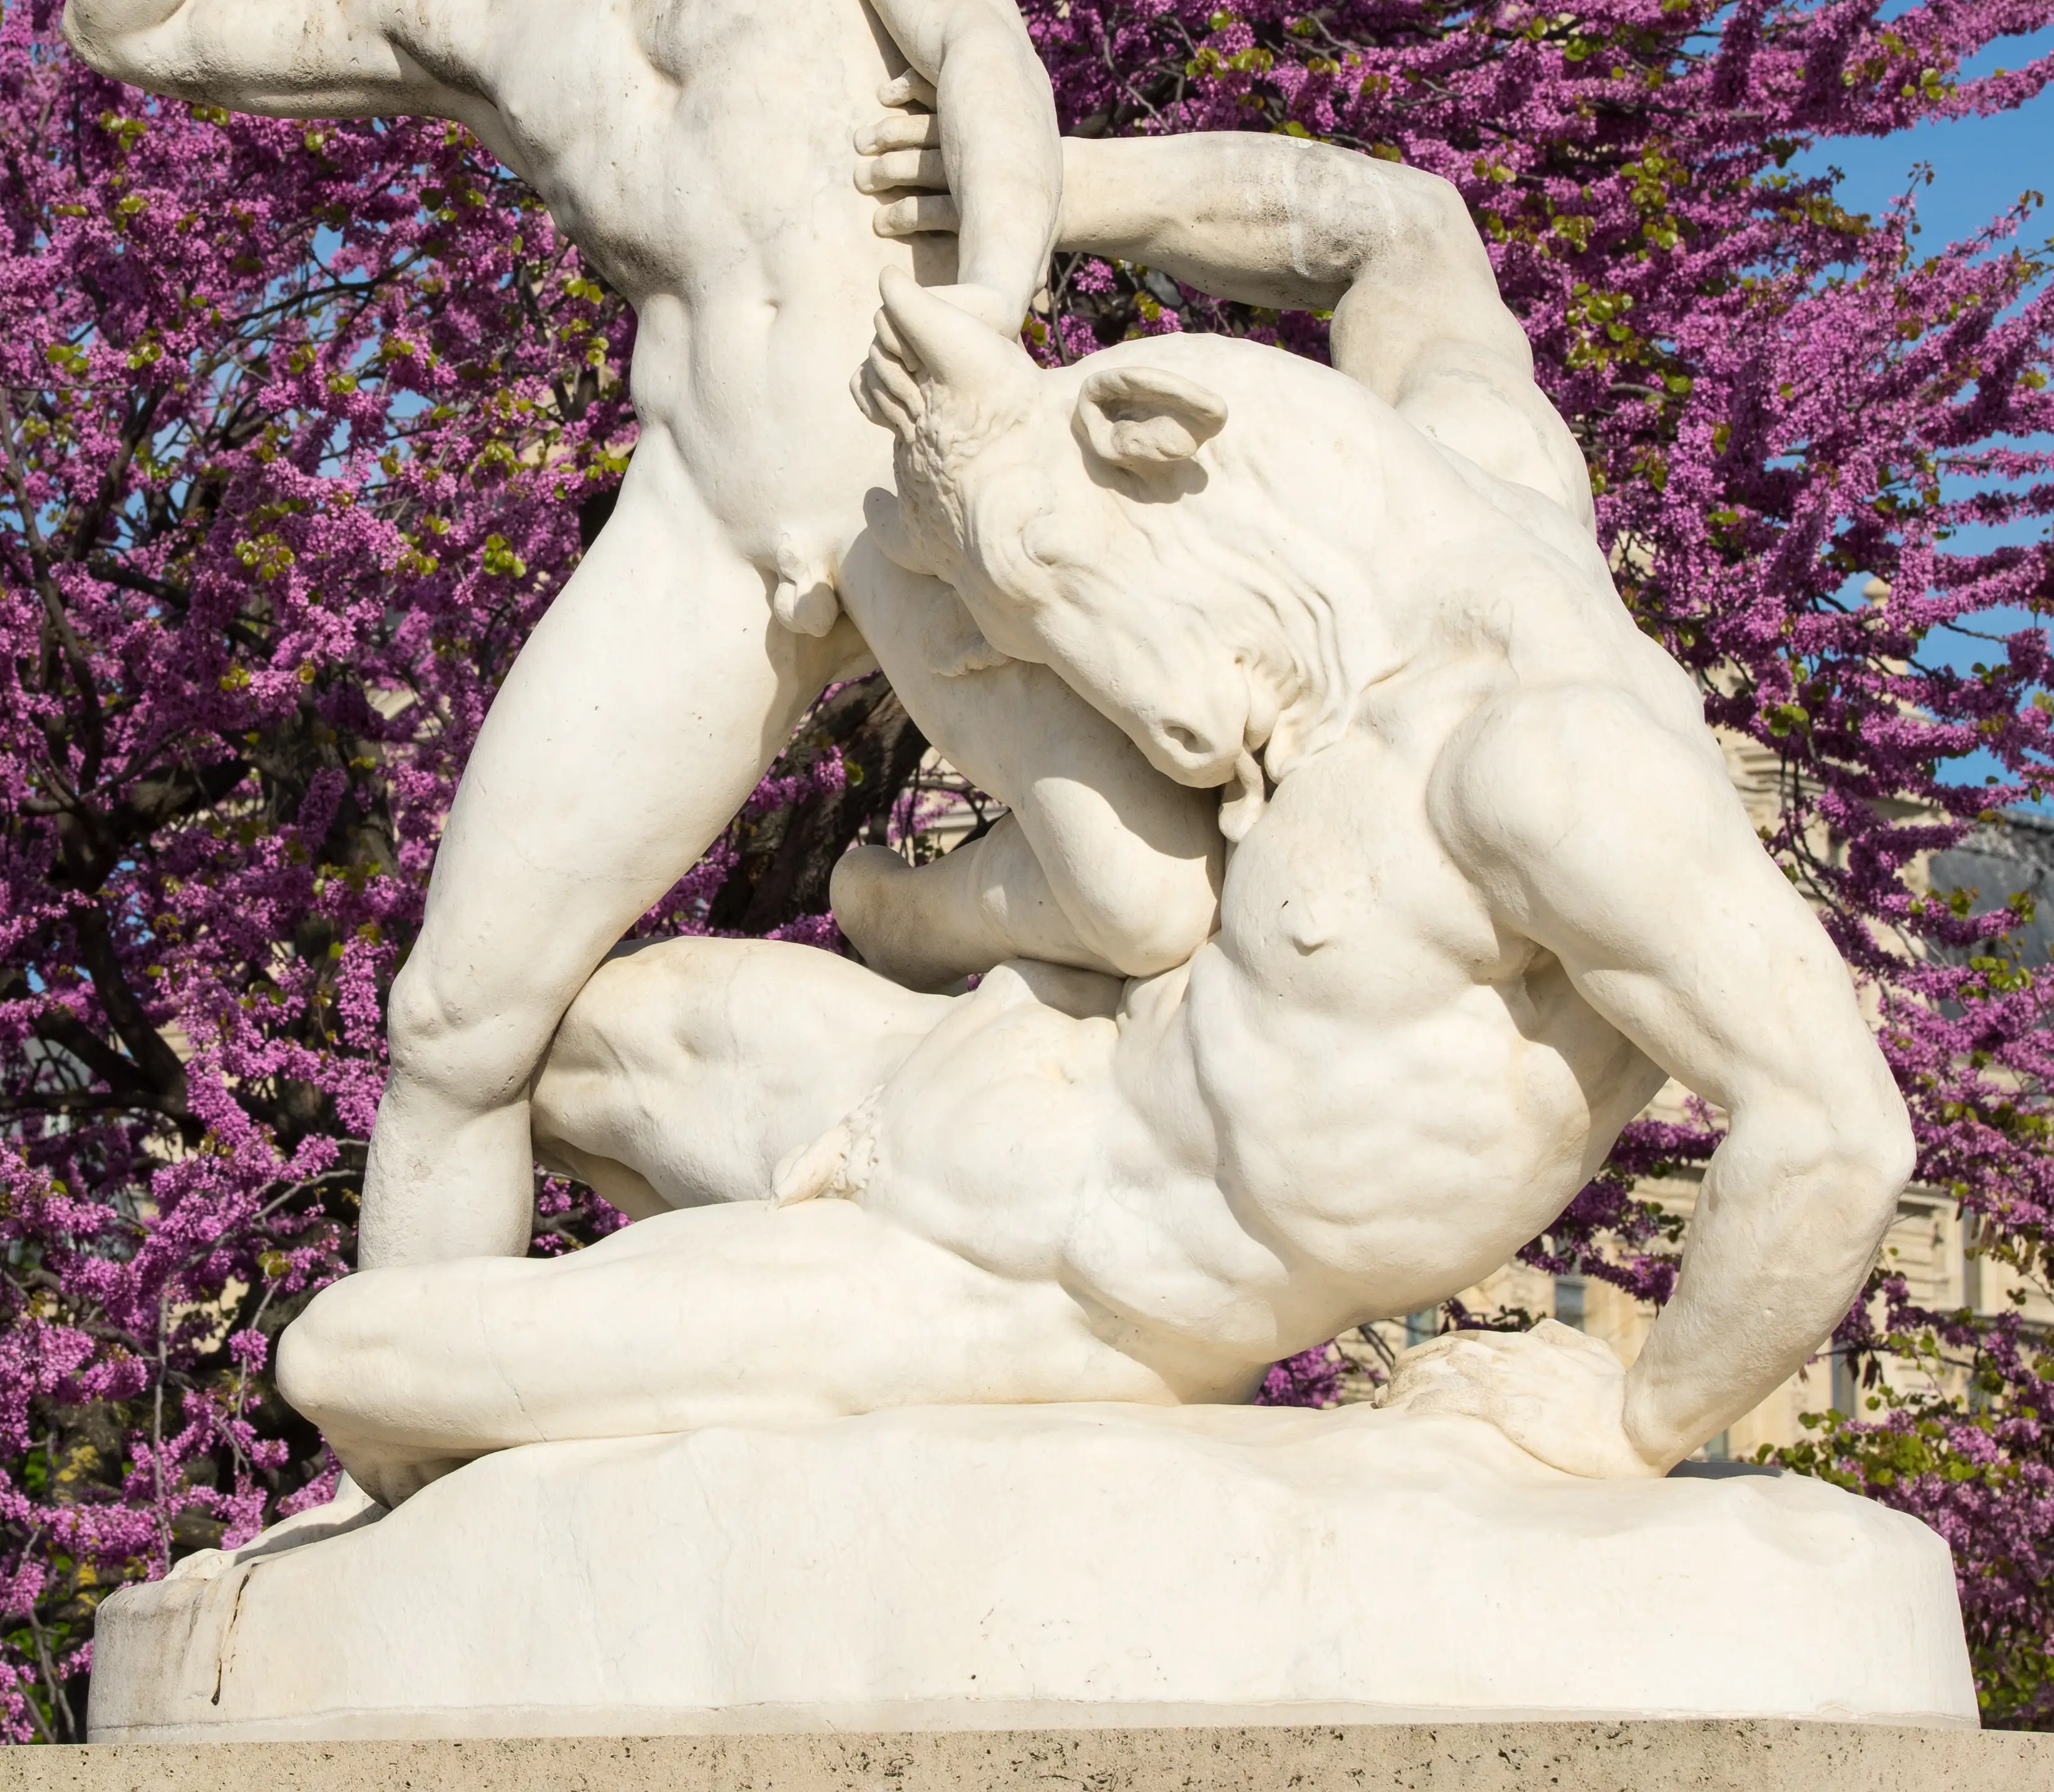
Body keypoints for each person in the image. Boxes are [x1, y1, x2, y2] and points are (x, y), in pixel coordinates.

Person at [277, 135, 1917, 1499]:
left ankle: (684, 1428)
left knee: (348, 1354)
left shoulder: (1546, 770)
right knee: (536, 1040)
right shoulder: (1468, 467)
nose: (1135, 705)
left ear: (1160, 465)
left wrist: (1637, 1422)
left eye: (1061, 599)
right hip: (940, 1076)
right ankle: (668, 1446)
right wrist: (1029, 187)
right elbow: (1396, 231)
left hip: (1015, 1286)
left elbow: (1834, 1130)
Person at [60, 0, 1217, 1271]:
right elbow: (135, 28)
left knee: (1142, 901)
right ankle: (417, 1446)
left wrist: (984, 317)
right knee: (453, 1021)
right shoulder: (466, 12)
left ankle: (900, 916)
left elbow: (983, 49)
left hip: (919, 469)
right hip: (703, 534)